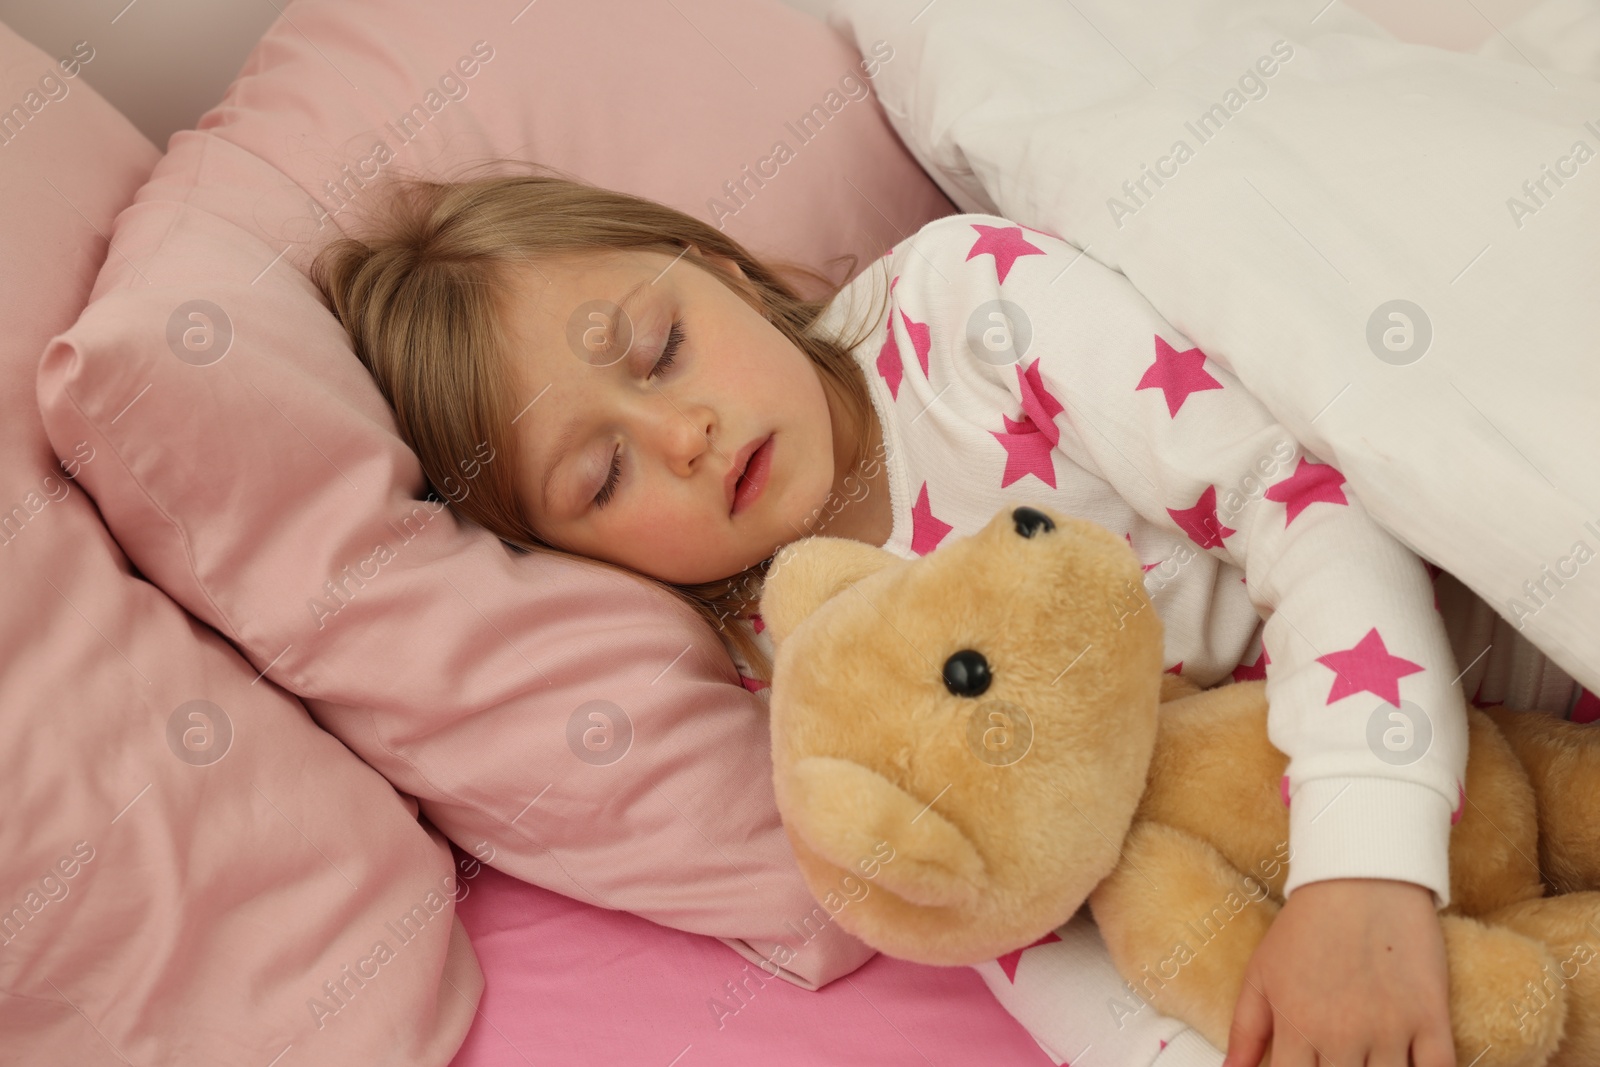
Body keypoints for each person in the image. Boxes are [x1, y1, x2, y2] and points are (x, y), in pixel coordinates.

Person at [311, 169, 1590, 1067]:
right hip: (1268, 876)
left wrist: (1362, 867)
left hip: (1506, 666)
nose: (682, 433)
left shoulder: (965, 316)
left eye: (659, 351)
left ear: (724, 275)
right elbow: (1005, 919)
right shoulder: (787, 655)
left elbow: (1300, 505)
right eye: (604, 477)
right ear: (574, 555)